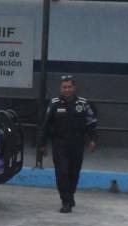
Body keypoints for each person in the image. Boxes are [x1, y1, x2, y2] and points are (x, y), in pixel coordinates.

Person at [40, 76, 98, 213]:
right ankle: (65, 201)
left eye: (69, 87)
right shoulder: (54, 103)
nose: (67, 90)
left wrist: (93, 140)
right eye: (64, 87)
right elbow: (46, 125)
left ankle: (70, 195)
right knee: (62, 173)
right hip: (59, 144)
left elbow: (91, 123)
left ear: (74, 88)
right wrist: (43, 144)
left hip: (77, 144)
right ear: (61, 89)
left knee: (74, 173)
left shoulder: (83, 104)